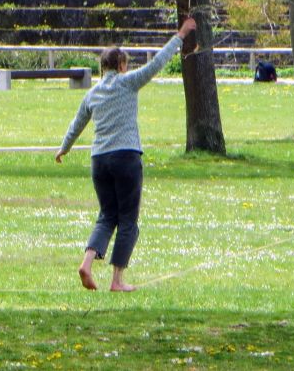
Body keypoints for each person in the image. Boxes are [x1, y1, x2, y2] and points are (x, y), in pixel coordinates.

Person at [56, 17, 198, 292]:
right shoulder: (128, 82)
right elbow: (157, 64)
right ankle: (117, 280)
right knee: (128, 221)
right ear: (121, 66)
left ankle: (87, 262)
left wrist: (64, 148)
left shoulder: (93, 93)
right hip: (126, 157)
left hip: (99, 161)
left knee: (107, 215)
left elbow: (77, 124)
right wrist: (180, 36)